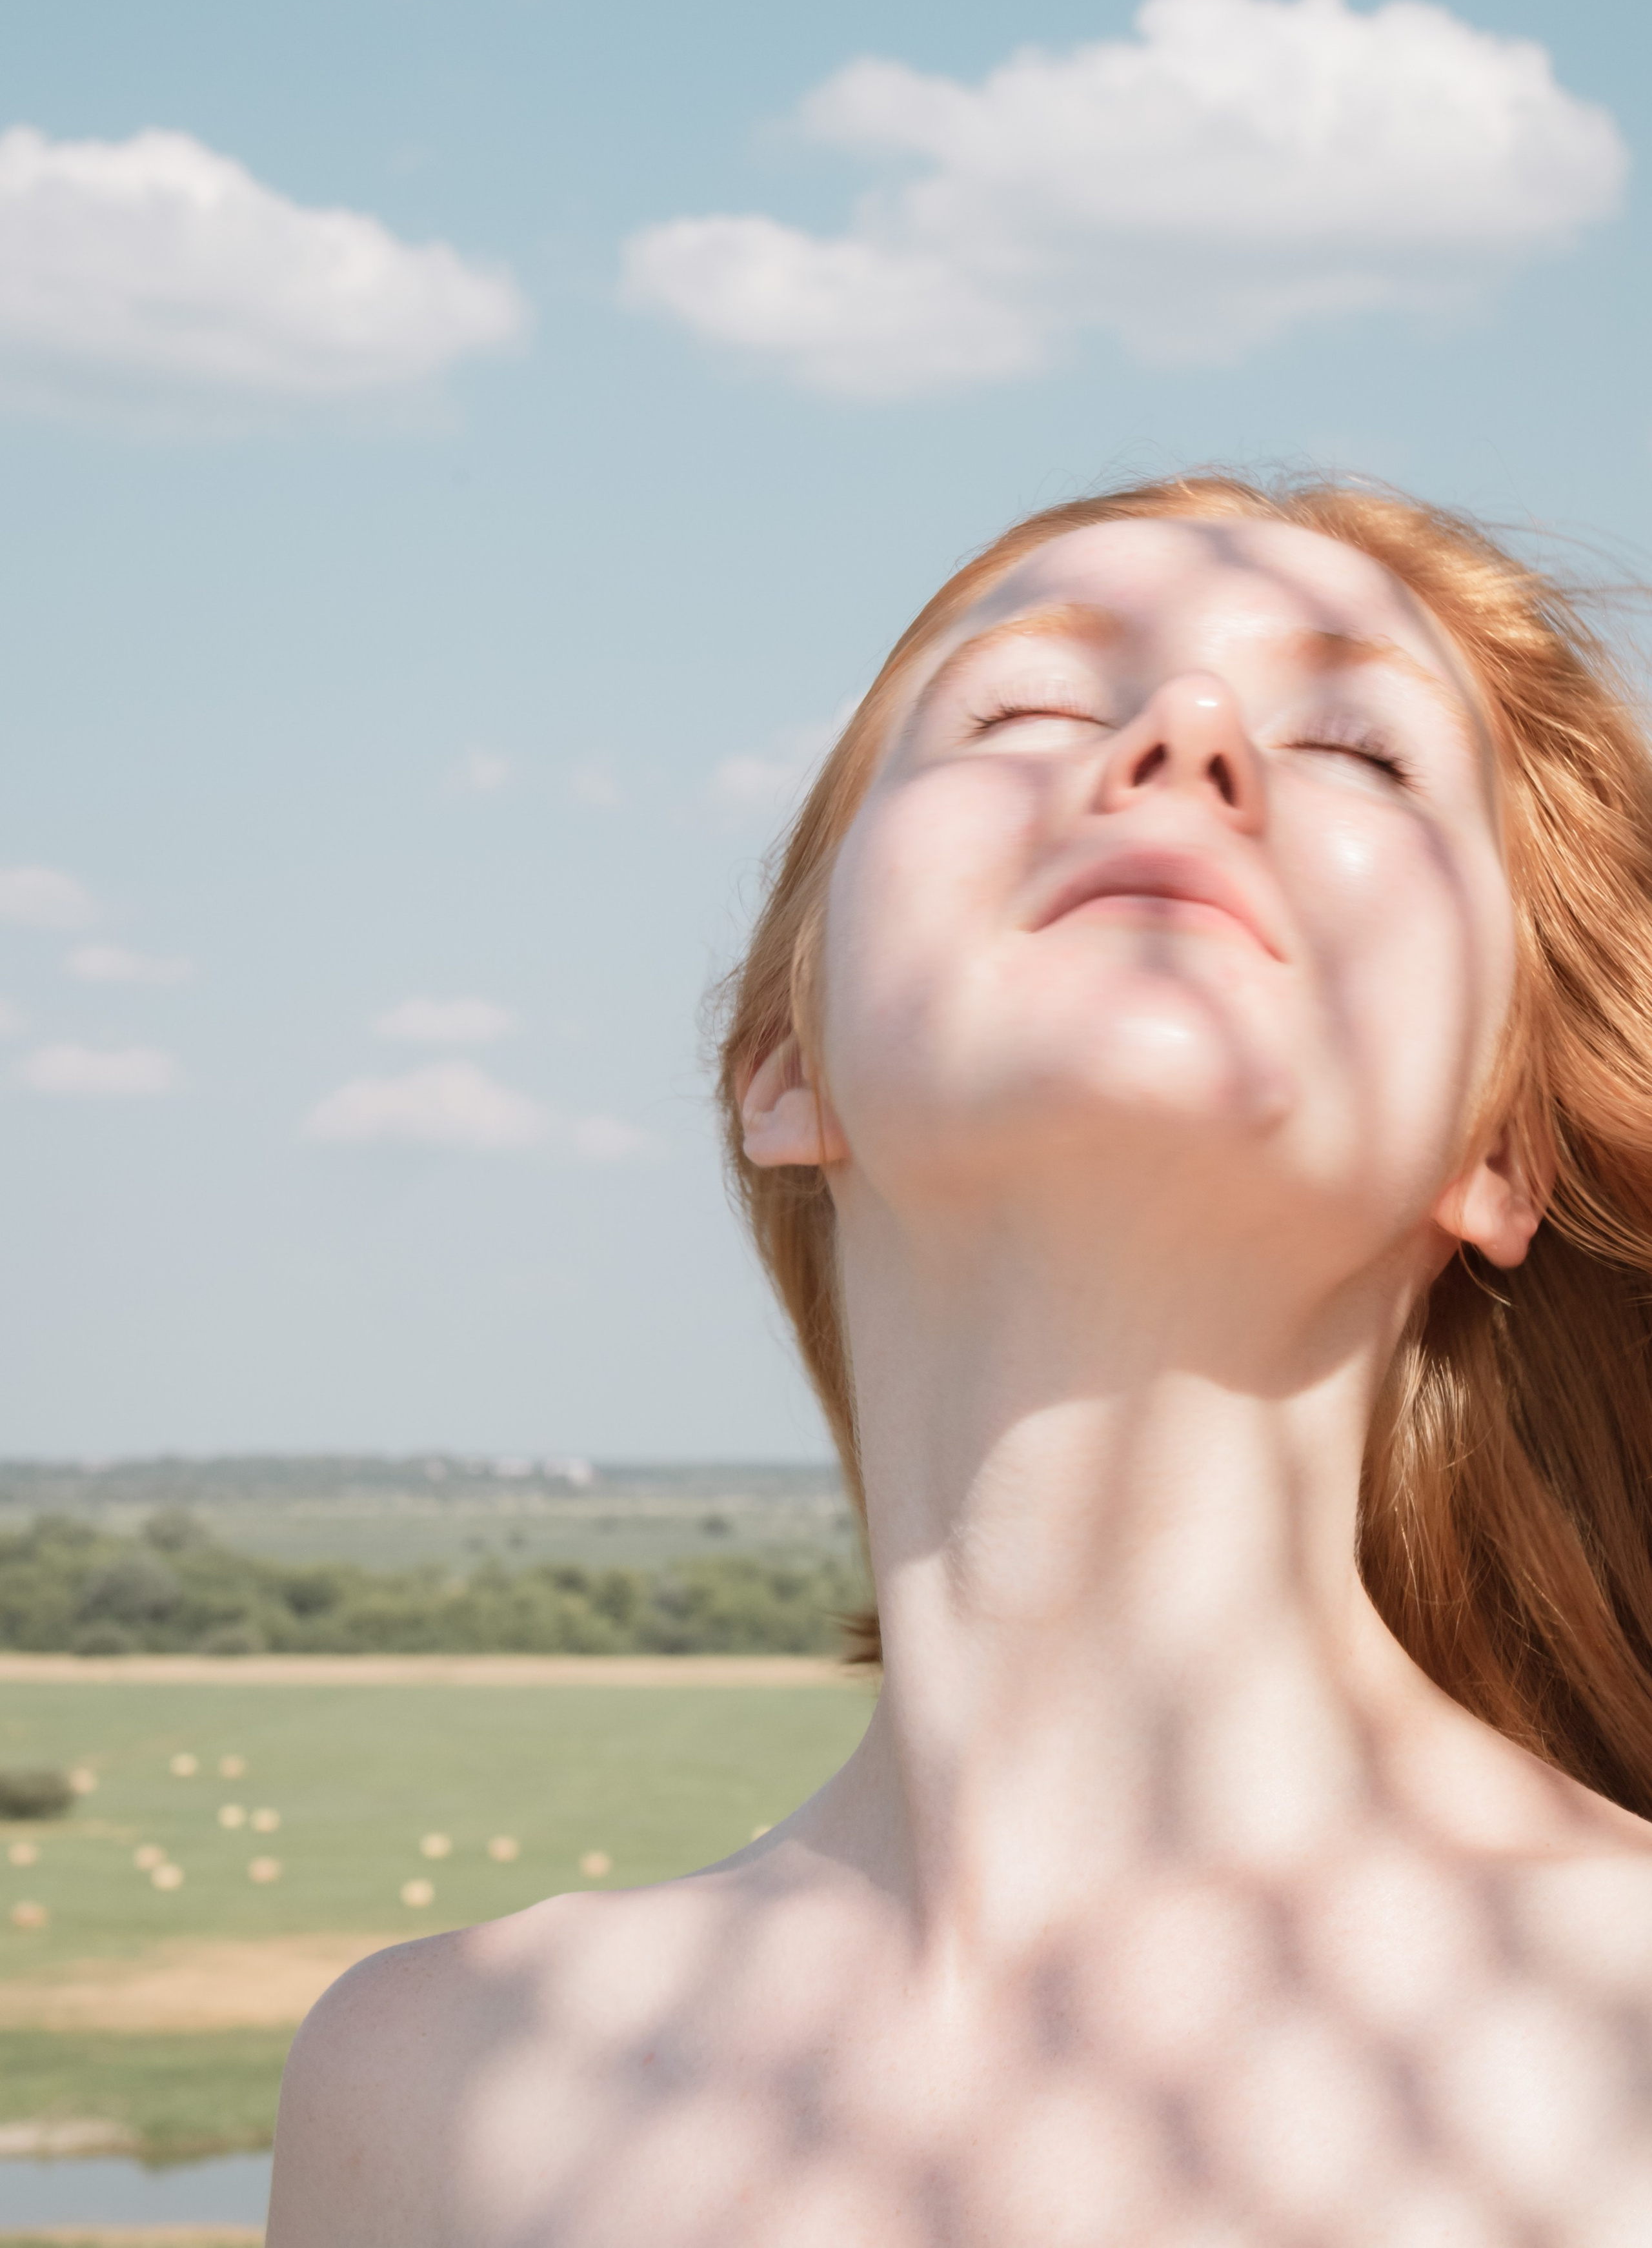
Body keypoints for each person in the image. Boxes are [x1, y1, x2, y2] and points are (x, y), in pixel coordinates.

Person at [268, 473, 1652, 2247]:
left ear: (1502, 1151)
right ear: (787, 1064)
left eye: (1362, 749)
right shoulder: (434, 2090)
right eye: (1030, 707)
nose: (1188, 737)